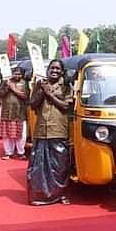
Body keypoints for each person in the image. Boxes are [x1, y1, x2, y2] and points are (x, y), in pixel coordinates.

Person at [27, 59, 73, 205]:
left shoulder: (66, 86)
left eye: (58, 69)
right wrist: (42, 91)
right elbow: (33, 104)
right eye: (52, 68)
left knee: (60, 166)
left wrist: (50, 94)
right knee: (39, 166)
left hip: (58, 130)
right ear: (48, 70)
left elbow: (66, 106)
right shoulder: (40, 84)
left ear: (62, 71)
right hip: (41, 130)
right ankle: (39, 196)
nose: (54, 71)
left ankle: (60, 195)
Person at [0, 66, 28, 160]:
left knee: (21, 135)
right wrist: (7, 87)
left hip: (19, 113)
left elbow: (25, 96)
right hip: (7, 112)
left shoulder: (24, 83)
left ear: (22, 75)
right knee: (7, 134)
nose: (17, 76)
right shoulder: (6, 82)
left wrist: (13, 89)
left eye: (19, 74)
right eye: (15, 74)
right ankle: (8, 152)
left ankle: (20, 152)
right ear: (12, 74)